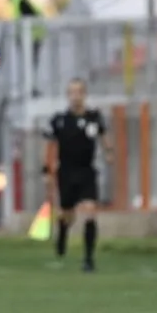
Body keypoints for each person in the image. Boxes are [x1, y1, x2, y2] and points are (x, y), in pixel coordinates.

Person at [43, 78, 113, 272]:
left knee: (90, 211)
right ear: (68, 95)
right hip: (65, 172)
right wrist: (47, 171)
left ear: (84, 94)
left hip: (87, 171)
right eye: (72, 92)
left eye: (79, 92)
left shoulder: (94, 117)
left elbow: (104, 137)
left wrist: (109, 152)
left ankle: (89, 259)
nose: (76, 96)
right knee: (67, 214)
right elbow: (49, 146)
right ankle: (63, 230)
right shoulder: (59, 120)